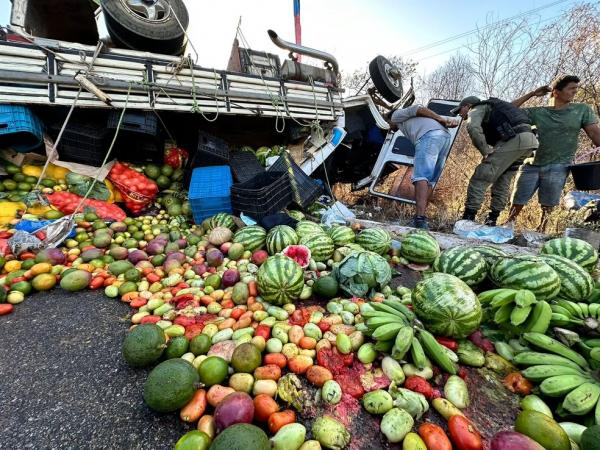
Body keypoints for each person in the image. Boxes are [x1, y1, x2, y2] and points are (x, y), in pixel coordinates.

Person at [507, 76, 600, 231]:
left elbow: (594, 133)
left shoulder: (581, 110)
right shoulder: (538, 112)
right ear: (556, 92)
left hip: (560, 164)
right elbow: (509, 111)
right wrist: (531, 94)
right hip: (532, 163)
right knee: (518, 199)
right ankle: (508, 226)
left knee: (549, 203)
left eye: (576, 89)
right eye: (571, 89)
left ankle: (542, 230)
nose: (575, 92)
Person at [452, 96, 538, 225]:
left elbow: (473, 127)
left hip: (515, 139)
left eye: (460, 110)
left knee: (481, 176)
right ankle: (492, 220)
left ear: (468, 106)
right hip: (529, 142)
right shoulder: (496, 107)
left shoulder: (477, 108)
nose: (460, 114)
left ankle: (468, 218)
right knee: (503, 179)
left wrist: (485, 150)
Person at [386, 103, 458, 229]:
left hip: (429, 136)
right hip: (444, 137)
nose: (389, 127)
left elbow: (418, 109)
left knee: (420, 177)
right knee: (430, 180)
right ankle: (422, 218)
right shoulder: (407, 122)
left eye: (388, 124)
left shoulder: (395, 115)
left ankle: (420, 220)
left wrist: (441, 119)